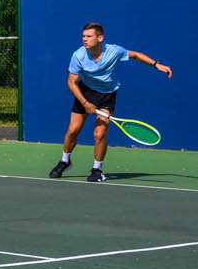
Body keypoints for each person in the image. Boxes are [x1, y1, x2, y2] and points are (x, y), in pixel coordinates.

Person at [50, 22, 171, 182]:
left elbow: (135, 55)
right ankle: (65, 161)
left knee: (99, 134)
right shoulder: (78, 55)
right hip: (85, 92)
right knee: (73, 130)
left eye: (89, 36)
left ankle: (97, 170)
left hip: (107, 95)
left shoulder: (114, 51)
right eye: (83, 36)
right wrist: (85, 103)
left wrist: (156, 64)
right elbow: (71, 82)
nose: (84, 39)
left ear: (100, 38)